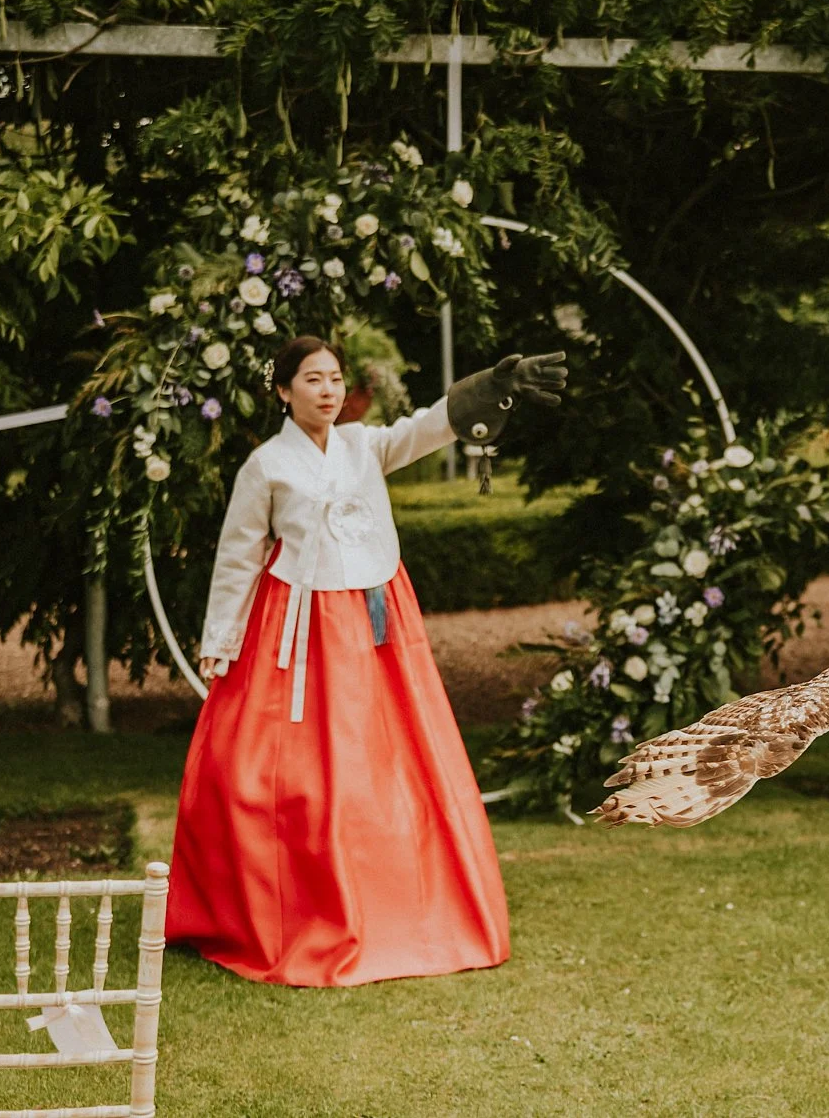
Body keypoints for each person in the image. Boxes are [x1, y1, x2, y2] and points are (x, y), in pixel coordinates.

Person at [166, 335, 567, 986]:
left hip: (375, 625)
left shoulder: (362, 444)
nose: (327, 389)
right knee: (286, 768)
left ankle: (397, 901)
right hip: (296, 632)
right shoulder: (266, 465)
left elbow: (423, 430)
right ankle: (294, 902)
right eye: (312, 378)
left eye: (334, 378)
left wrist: (485, 391)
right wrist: (222, 640)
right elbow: (238, 556)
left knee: (387, 757)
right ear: (282, 390)